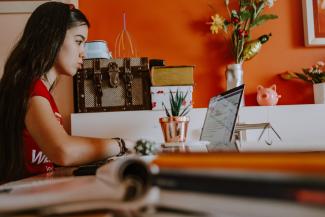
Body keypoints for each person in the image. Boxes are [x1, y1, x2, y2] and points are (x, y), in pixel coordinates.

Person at [0, 2, 134, 183]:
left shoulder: (42, 91)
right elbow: (63, 151)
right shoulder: (32, 90)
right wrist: (121, 144)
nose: (83, 53)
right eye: (78, 41)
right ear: (51, 38)